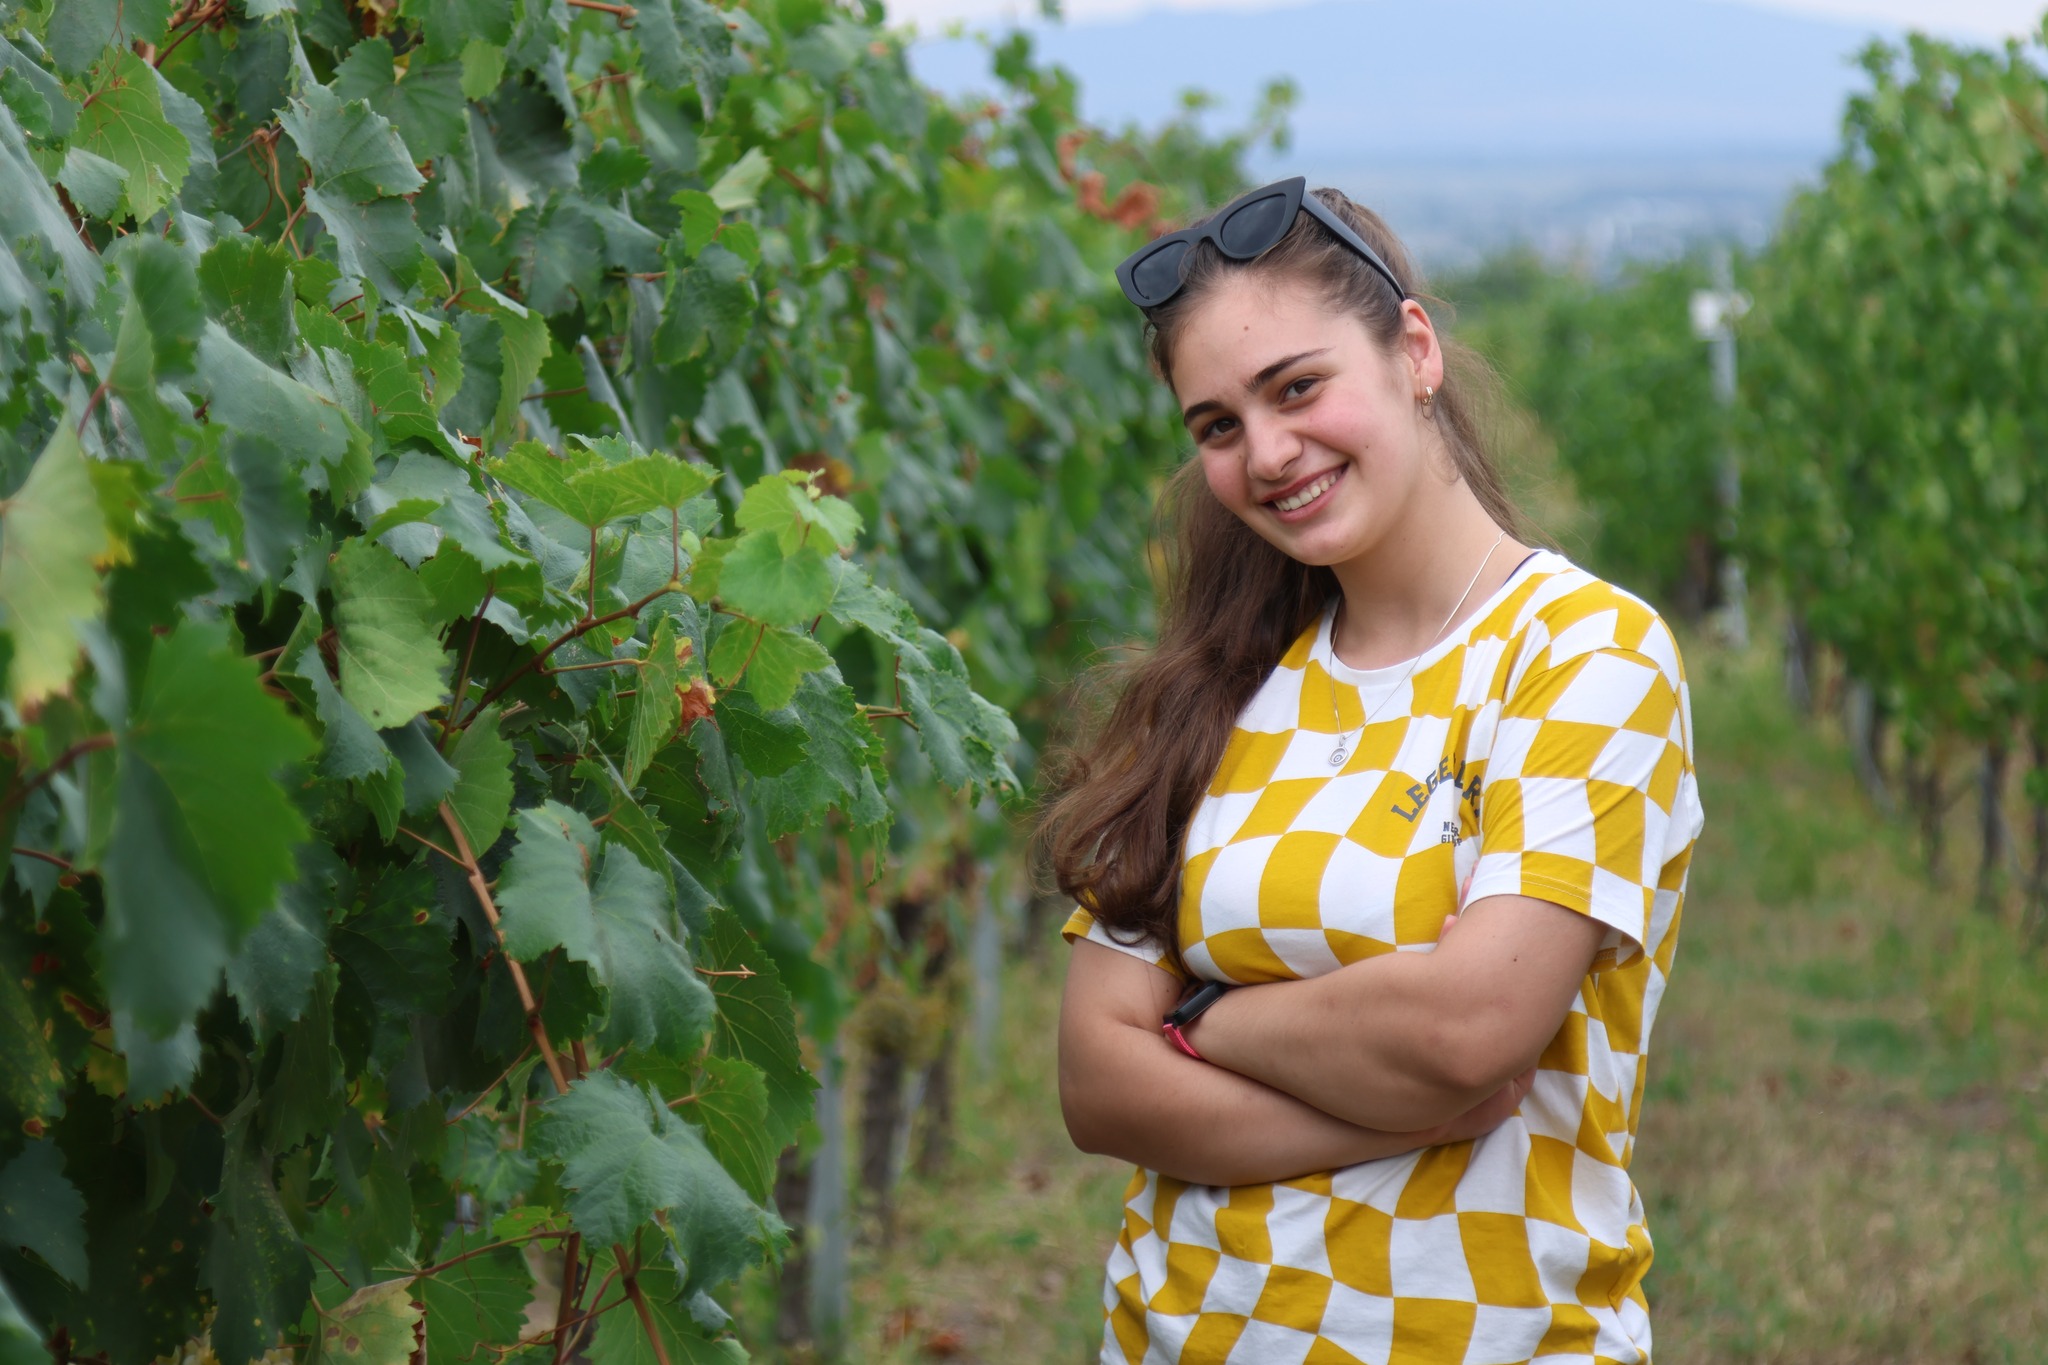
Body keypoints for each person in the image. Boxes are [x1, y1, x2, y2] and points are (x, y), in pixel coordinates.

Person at [1041, 178, 1706, 1365]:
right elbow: (1096, 1083)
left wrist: (1201, 1021)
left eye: (1296, 387)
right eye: (1217, 427)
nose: (1266, 452)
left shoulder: (1581, 655)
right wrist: (1381, 1104)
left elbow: (1466, 1032)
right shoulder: (1209, 690)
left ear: (1413, 351)